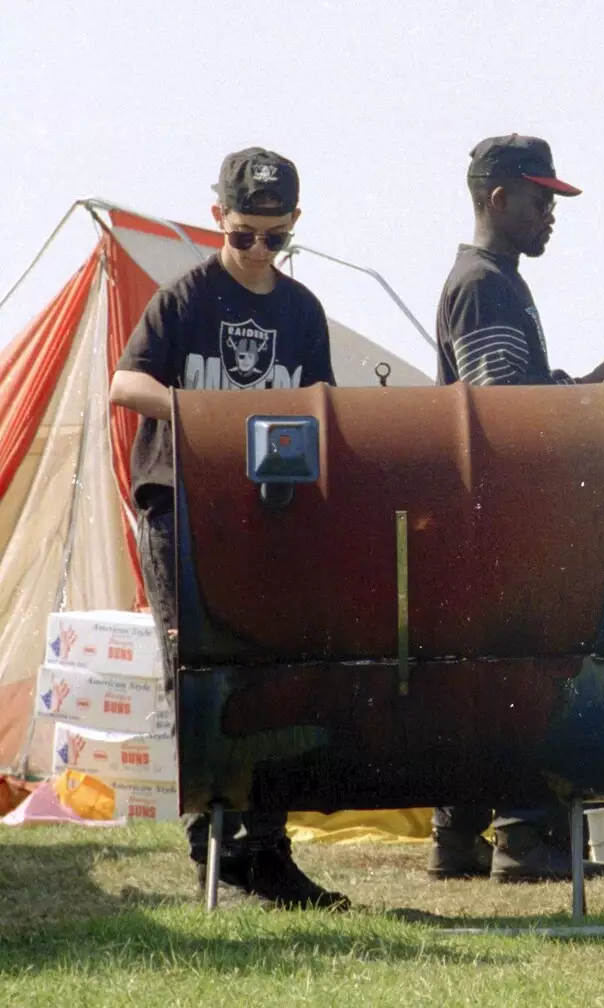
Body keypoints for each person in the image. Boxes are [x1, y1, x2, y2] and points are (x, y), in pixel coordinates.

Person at [428, 134, 604, 884]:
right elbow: (506, 411)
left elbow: (512, 394)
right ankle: (524, 836)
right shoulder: (485, 283)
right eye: (542, 197)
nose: (552, 213)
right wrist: (599, 387)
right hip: (504, 518)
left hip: (489, 516)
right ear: (499, 200)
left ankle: (457, 838)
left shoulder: (491, 279)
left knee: (487, 674)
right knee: (526, 670)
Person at [109, 148, 348, 910]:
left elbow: (323, 407)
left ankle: (266, 849)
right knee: (198, 670)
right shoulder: (184, 298)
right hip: (183, 505)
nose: (256, 252)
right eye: (244, 234)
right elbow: (125, 380)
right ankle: (213, 842)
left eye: (274, 239)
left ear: (294, 229)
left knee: (276, 671)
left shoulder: (303, 311)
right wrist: (195, 412)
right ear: (218, 219)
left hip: (270, 513)